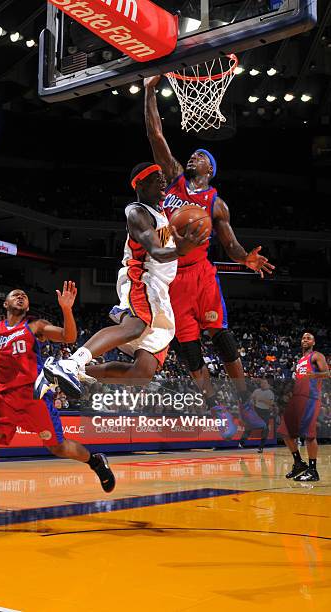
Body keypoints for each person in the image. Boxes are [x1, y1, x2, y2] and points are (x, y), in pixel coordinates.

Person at [0, 282, 115, 531]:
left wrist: (67, 309)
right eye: (14, 294)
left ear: (27, 306)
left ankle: (95, 461)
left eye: (24, 295)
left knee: (58, 447)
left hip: (34, 397)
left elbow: (69, 337)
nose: (20, 296)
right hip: (2, 398)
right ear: (6, 304)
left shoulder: (34, 326)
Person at [143, 76, 275, 414]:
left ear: (210, 170)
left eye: (201, 155)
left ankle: (244, 399)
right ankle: (213, 405)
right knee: (189, 349)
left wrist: (246, 258)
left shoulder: (216, 203)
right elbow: (155, 135)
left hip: (201, 274)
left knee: (220, 335)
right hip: (170, 272)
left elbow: (229, 244)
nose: (194, 156)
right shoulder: (172, 179)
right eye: (193, 153)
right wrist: (150, 90)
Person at [35, 163, 208, 398]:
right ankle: (71, 364)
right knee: (134, 327)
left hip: (160, 290)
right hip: (143, 277)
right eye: (157, 179)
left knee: (142, 373)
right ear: (142, 184)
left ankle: (61, 373)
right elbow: (156, 252)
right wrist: (182, 249)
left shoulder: (162, 214)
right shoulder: (137, 212)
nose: (163, 182)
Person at [278, 332, 329, 482]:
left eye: (309, 338)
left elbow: (327, 373)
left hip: (310, 398)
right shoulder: (300, 360)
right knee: (284, 431)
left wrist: (313, 376)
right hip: (298, 398)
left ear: (313, 342)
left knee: (309, 435)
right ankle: (299, 463)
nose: (305, 340)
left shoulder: (316, 355)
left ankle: (313, 470)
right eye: (303, 338)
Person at [239, 377, 274, 453]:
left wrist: (262, 400)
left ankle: (261, 447)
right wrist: (252, 403)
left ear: (268, 384)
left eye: (264, 383)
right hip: (256, 410)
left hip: (265, 412)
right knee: (250, 426)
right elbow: (251, 399)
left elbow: (270, 404)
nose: (263, 384)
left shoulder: (270, 393)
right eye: (262, 383)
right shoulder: (256, 391)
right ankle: (241, 442)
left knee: (265, 429)